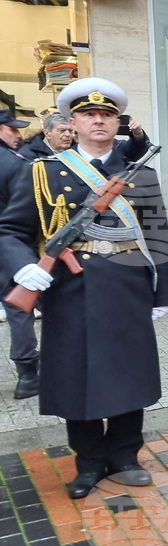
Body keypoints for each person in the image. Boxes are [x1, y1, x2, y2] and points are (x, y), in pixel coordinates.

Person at [0, 78, 168, 497]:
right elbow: (11, 230)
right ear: (73, 122)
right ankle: (89, 461)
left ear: (117, 123)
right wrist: (23, 268)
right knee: (75, 374)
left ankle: (125, 456)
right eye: (88, 114)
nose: (98, 120)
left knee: (128, 372)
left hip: (128, 287)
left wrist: (164, 293)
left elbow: (158, 236)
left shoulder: (141, 174)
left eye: (106, 115)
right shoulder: (43, 172)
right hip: (71, 290)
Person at [0, 109, 40, 399]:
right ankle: (27, 375)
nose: (18, 134)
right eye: (11, 129)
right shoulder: (16, 164)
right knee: (20, 309)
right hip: (11, 248)